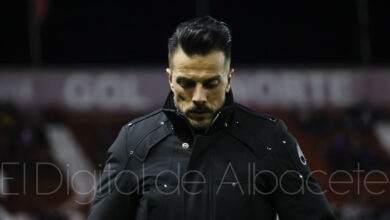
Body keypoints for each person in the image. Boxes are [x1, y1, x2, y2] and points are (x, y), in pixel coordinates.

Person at [87, 16, 336, 220]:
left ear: (228, 79)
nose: (199, 97)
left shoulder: (270, 138)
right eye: (186, 83)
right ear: (170, 79)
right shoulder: (134, 142)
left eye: (211, 83)